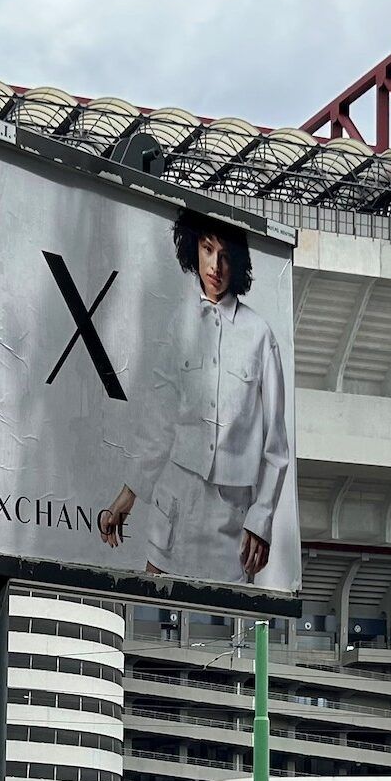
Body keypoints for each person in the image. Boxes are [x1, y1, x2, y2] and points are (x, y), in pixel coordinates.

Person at [99, 209, 289, 585]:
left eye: (225, 255)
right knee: (150, 610)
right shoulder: (179, 323)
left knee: (228, 619)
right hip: (175, 504)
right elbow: (159, 420)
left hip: (230, 521)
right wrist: (128, 494)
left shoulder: (260, 336)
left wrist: (262, 518)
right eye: (207, 249)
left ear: (238, 262)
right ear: (194, 250)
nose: (215, 265)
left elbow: (276, 447)